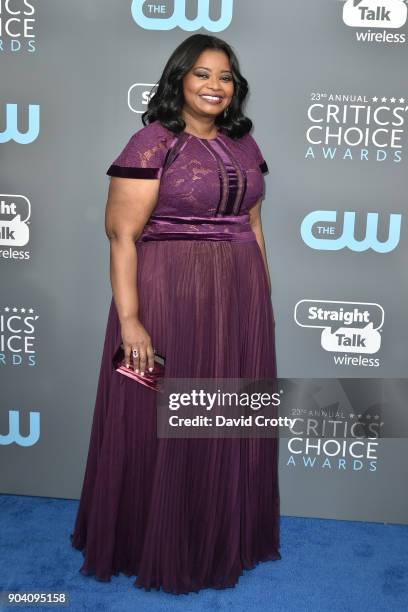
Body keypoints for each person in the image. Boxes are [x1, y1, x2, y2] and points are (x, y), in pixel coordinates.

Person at [70, 33, 281, 595]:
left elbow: (254, 224)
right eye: (203, 74)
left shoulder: (244, 143)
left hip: (237, 291)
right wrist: (131, 320)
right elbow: (121, 237)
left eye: (226, 77)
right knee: (163, 416)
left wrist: (262, 294)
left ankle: (220, 534)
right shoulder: (152, 141)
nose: (216, 86)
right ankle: (152, 537)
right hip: (169, 293)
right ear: (179, 80)